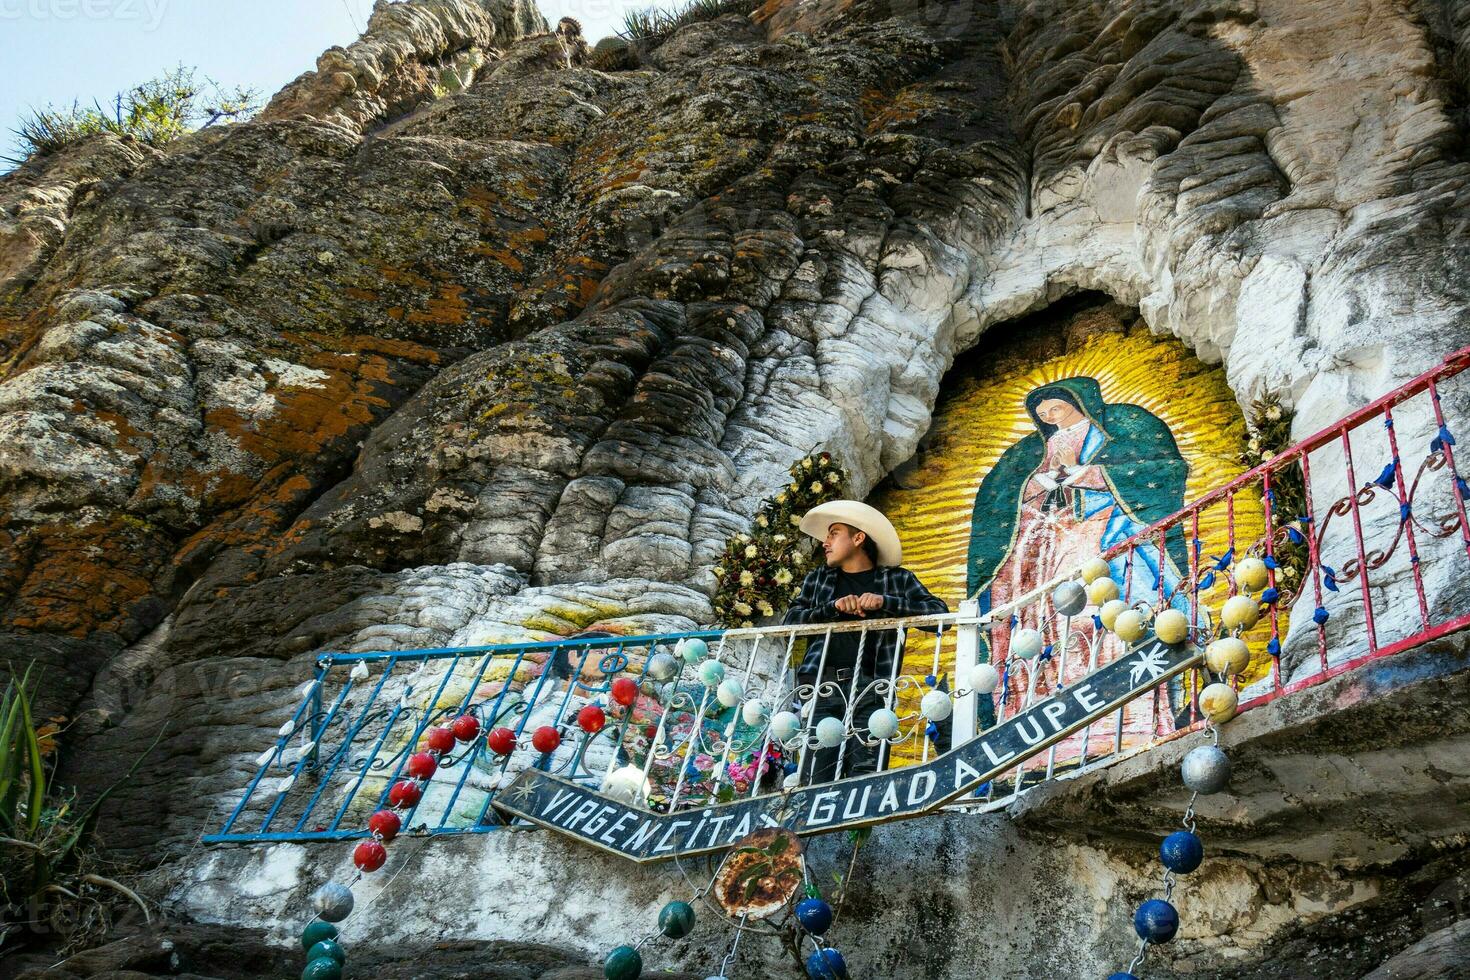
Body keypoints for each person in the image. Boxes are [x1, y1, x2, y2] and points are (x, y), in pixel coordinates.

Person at [783, 500, 949, 784]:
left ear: (859, 538)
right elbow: (790, 624)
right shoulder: (818, 579)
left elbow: (940, 615)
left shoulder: (897, 579)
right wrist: (832, 608)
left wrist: (886, 602)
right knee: (816, 773)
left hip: (875, 686)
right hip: (824, 687)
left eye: (834, 533)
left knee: (866, 773)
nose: (826, 542)